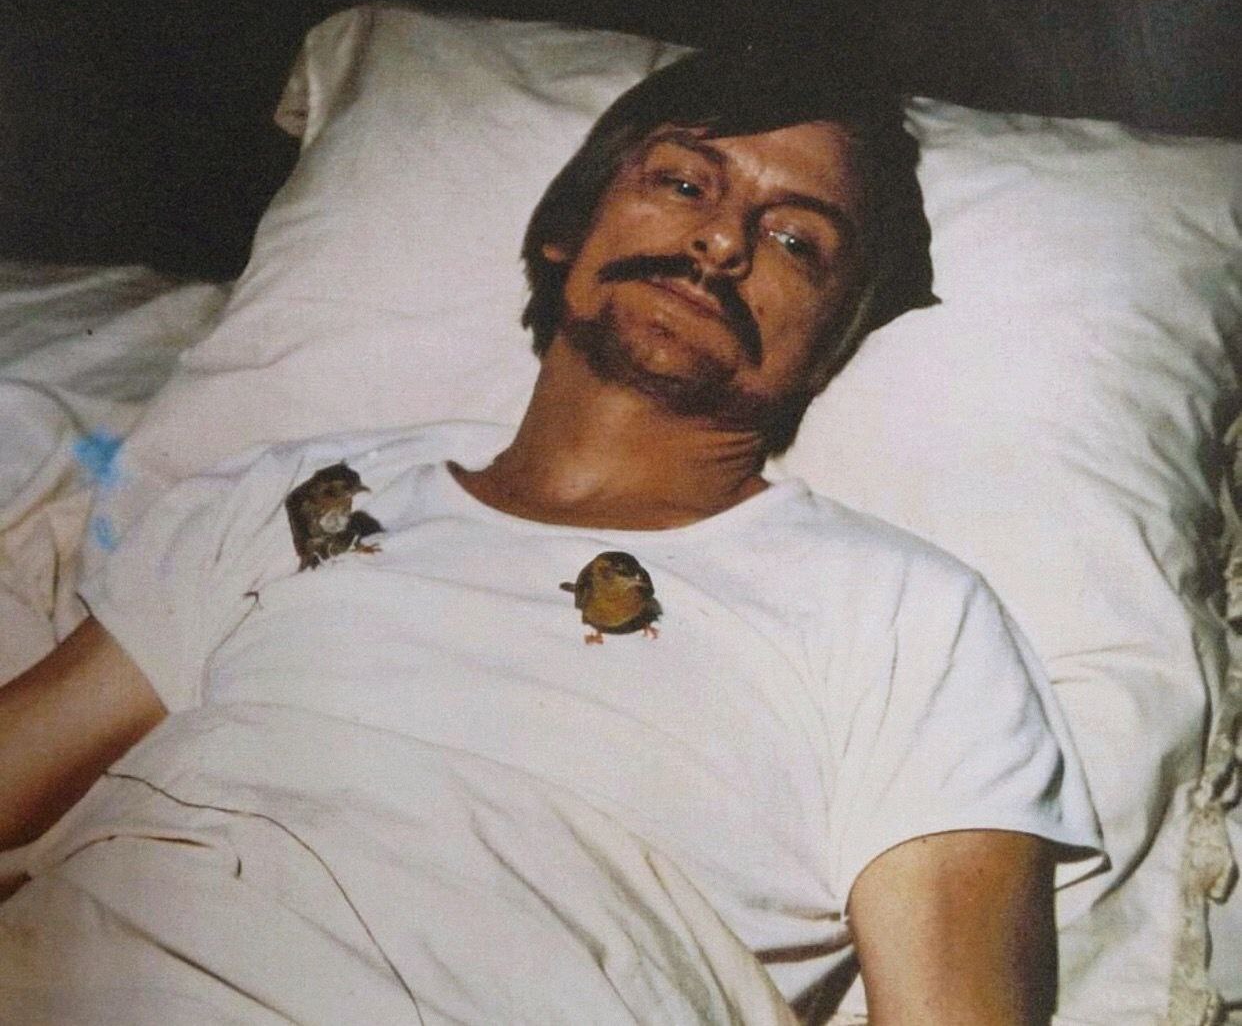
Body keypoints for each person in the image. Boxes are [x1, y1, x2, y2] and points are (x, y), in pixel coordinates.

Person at [0, 49, 1100, 1024]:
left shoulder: (902, 614)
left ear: (831, 346)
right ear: (563, 233)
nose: (721, 241)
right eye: (683, 183)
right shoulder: (299, 495)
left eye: (795, 241)